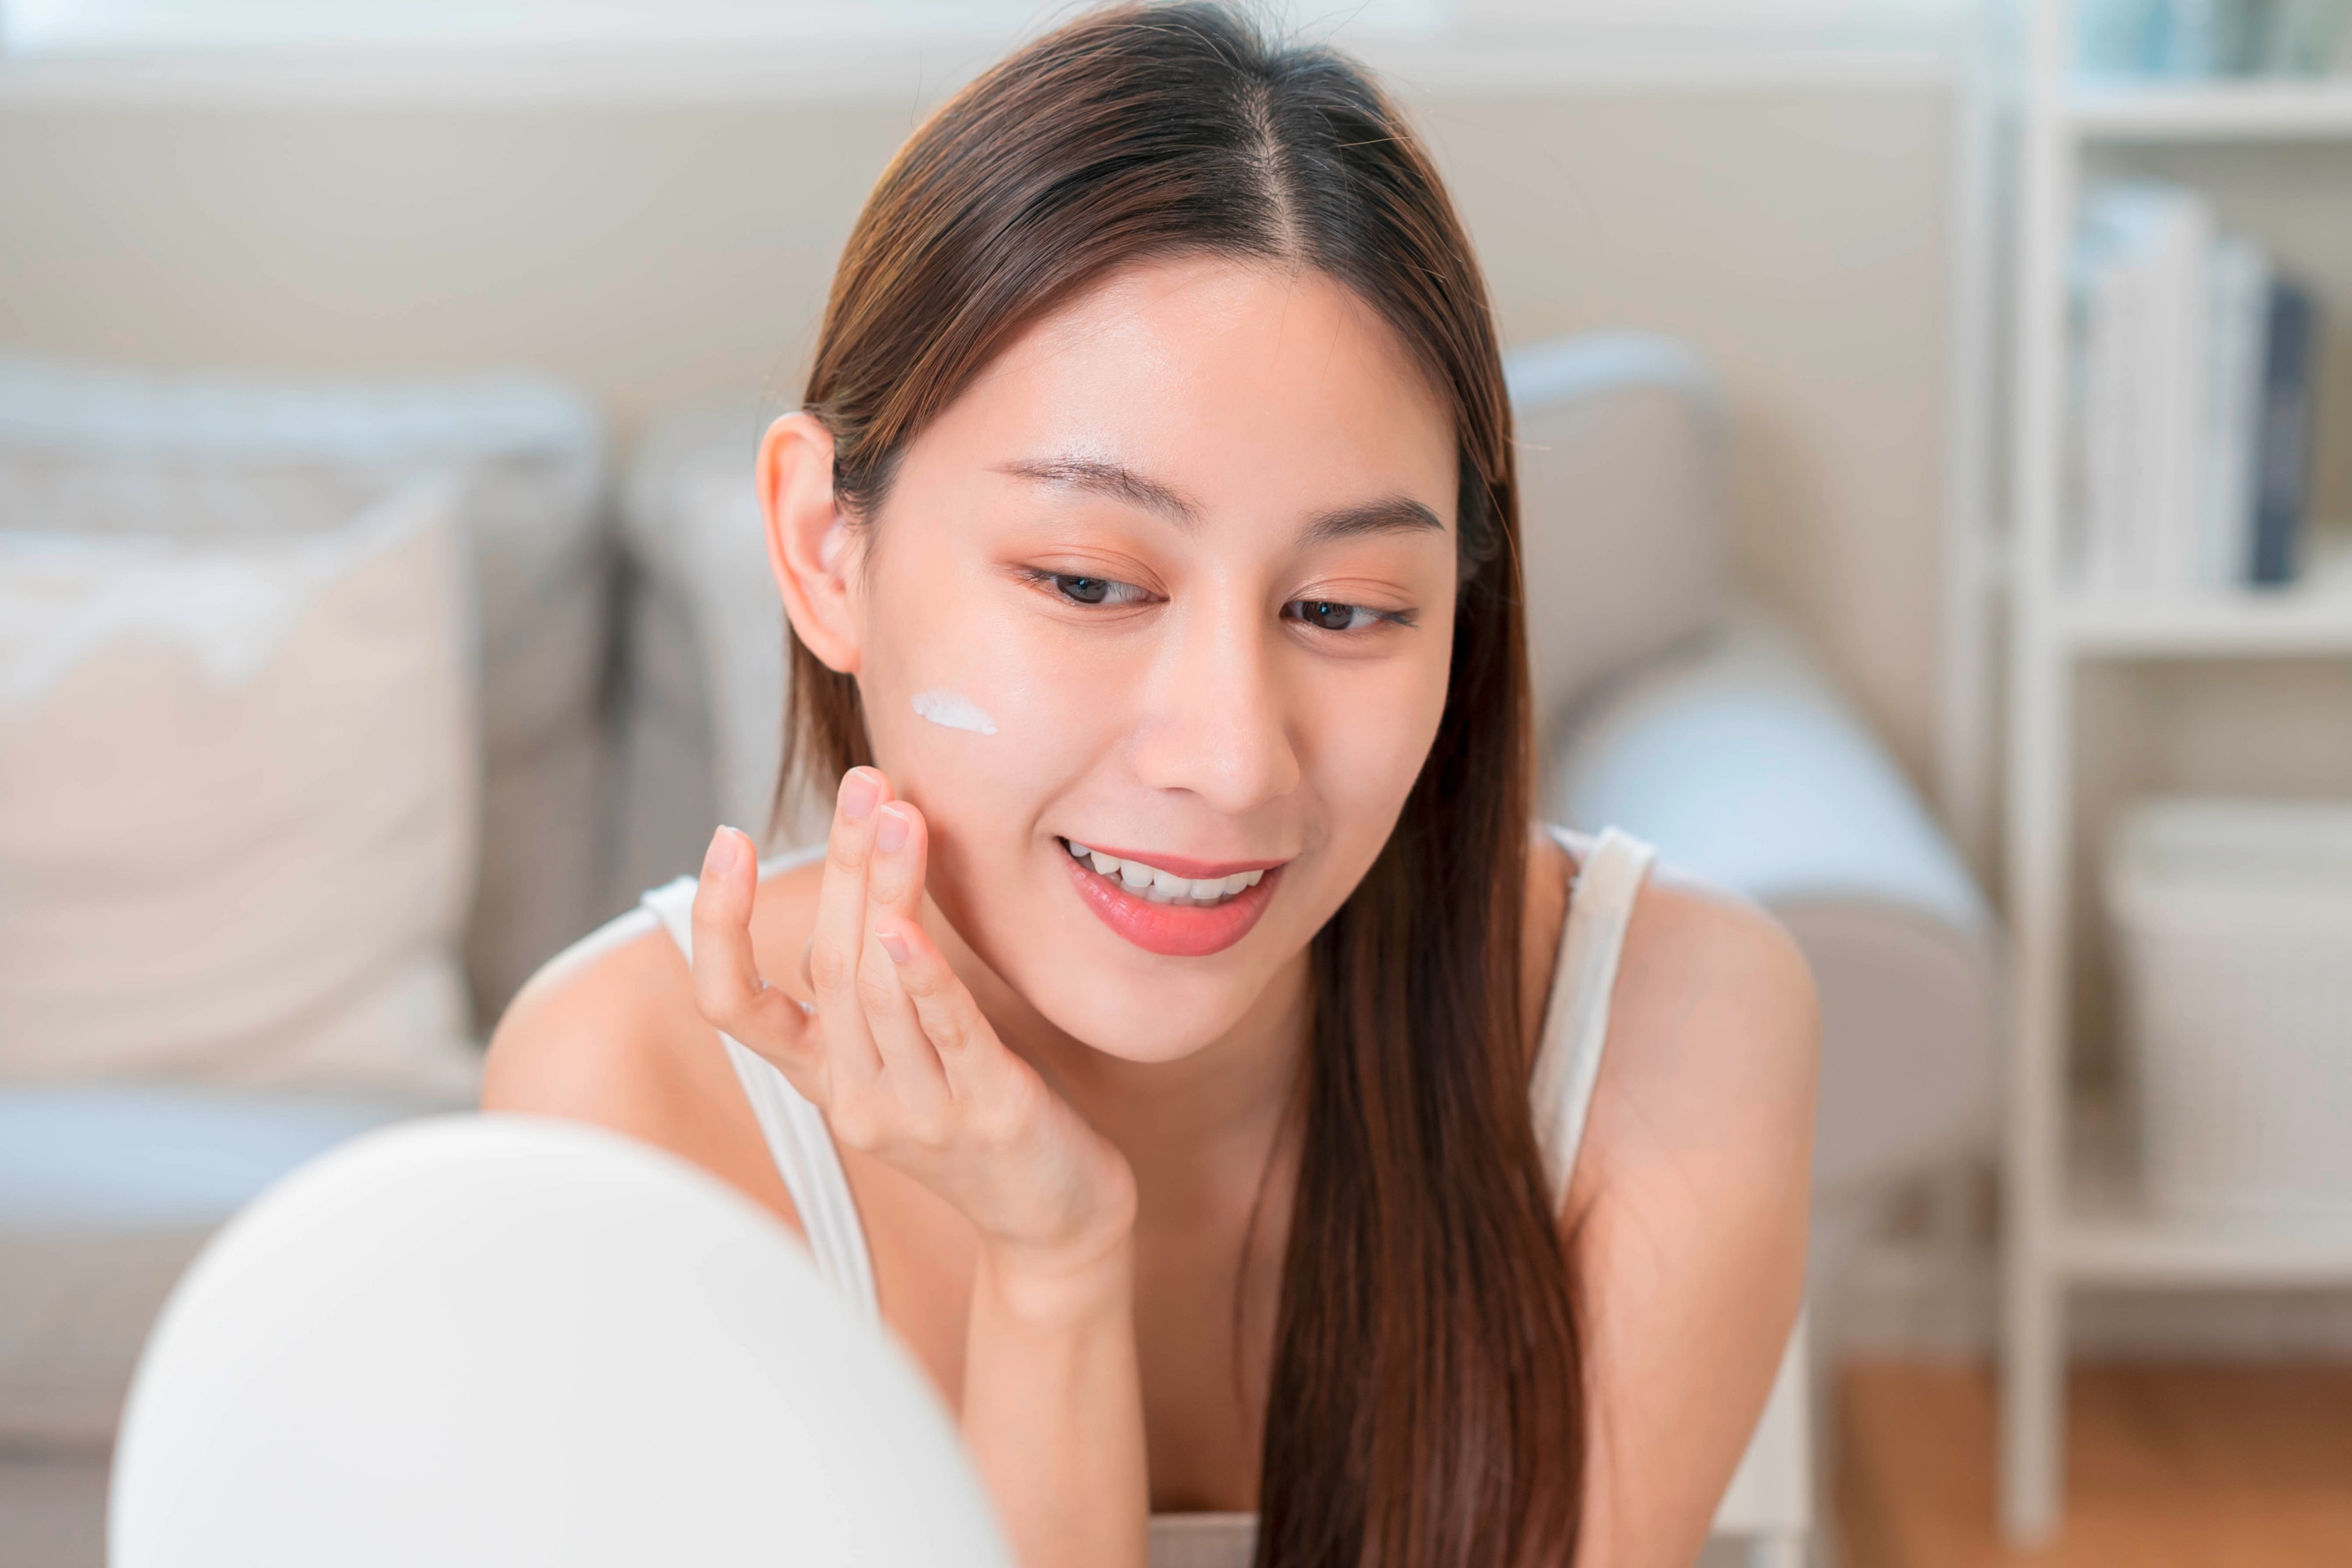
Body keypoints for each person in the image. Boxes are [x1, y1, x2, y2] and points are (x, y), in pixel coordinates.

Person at [483, 7, 1816, 1566]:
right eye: (1091, 582)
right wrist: (1048, 1267)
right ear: (821, 549)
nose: (1233, 759)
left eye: (1345, 612)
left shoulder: (1676, 1028)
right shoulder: (629, 1096)